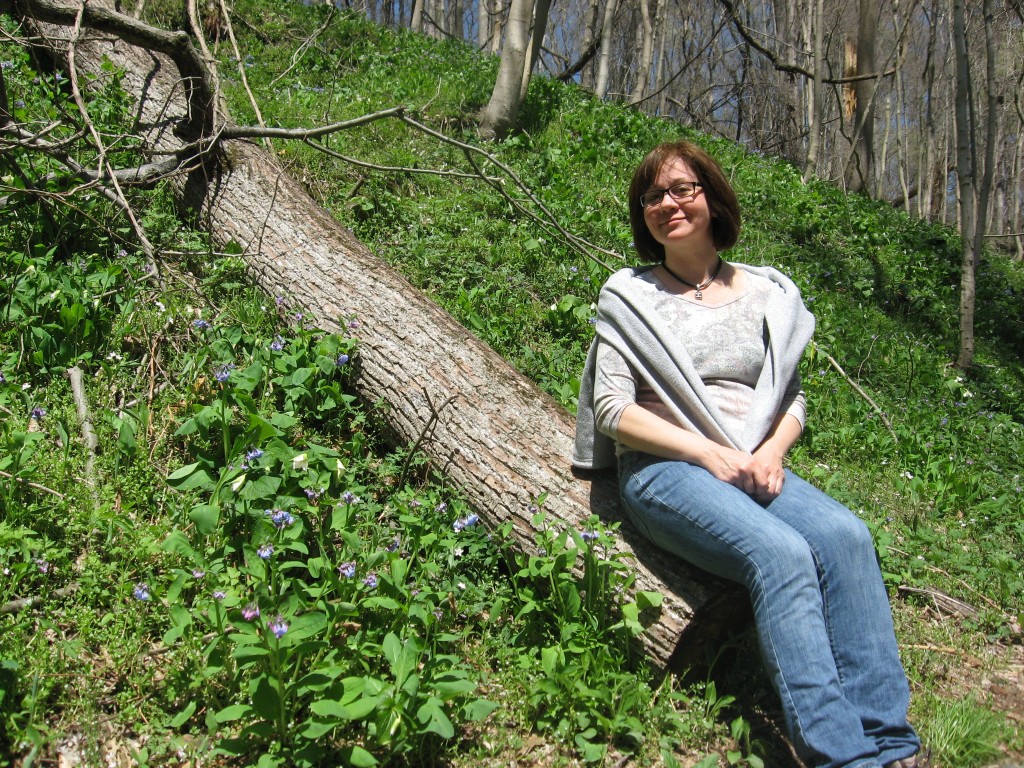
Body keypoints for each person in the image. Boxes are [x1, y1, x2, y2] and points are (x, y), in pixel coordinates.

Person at [573, 141, 923, 768]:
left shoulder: (767, 292)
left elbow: (792, 398)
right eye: (652, 196)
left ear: (711, 196)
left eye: (681, 189)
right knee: (781, 554)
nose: (666, 204)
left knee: (846, 536)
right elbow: (612, 411)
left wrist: (773, 452)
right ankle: (845, 757)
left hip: (754, 461)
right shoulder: (629, 296)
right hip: (665, 468)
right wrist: (707, 453)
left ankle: (891, 742)